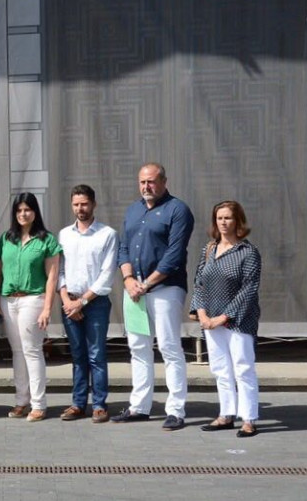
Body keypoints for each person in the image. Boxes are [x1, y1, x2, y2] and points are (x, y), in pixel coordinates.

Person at [112, 163, 195, 431]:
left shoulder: (177, 210)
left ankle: (175, 410)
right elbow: (123, 247)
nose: (147, 186)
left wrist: (145, 284)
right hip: (134, 290)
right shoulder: (133, 210)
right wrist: (127, 279)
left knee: (169, 347)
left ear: (164, 181)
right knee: (138, 348)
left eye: (152, 181)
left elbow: (174, 255)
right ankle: (140, 406)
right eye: (142, 182)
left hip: (164, 289)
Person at [192, 201, 261, 438]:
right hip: (210, 318)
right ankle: (226, 414)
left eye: (228, 218)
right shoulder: (209, 249)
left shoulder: (248, 252)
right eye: (219, 218)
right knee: (220, 368)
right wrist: (201, 313)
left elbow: (249, 289)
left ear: (238, 221)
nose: (223, 222)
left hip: (238, 320)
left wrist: (222, 318)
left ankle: (249, 419)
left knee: (243, 369)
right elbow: (199, 282)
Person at [0, 193, 61, 422]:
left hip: (33, 299)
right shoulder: (6, 239)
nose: (23, 214)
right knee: (17, 352)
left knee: (32, 351)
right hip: (9, 300)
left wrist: (47, 308)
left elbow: (52, 277)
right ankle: (21, 400)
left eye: (28, 210)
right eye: (19, 210)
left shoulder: (46, 240)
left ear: (35, 212)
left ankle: (39, 404)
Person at [58, 184, 118, 423]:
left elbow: (106, 275)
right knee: (78, 355)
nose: (80, 209)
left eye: (84, 204)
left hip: (95, 303)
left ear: (93, 204)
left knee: (96, 354)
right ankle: (78, 403)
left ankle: (100, 404)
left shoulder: (107, 234)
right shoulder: (64, 234)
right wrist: (66, 300)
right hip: (69, 302)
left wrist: (81, 302)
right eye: (76, 204)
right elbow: (59, 269)